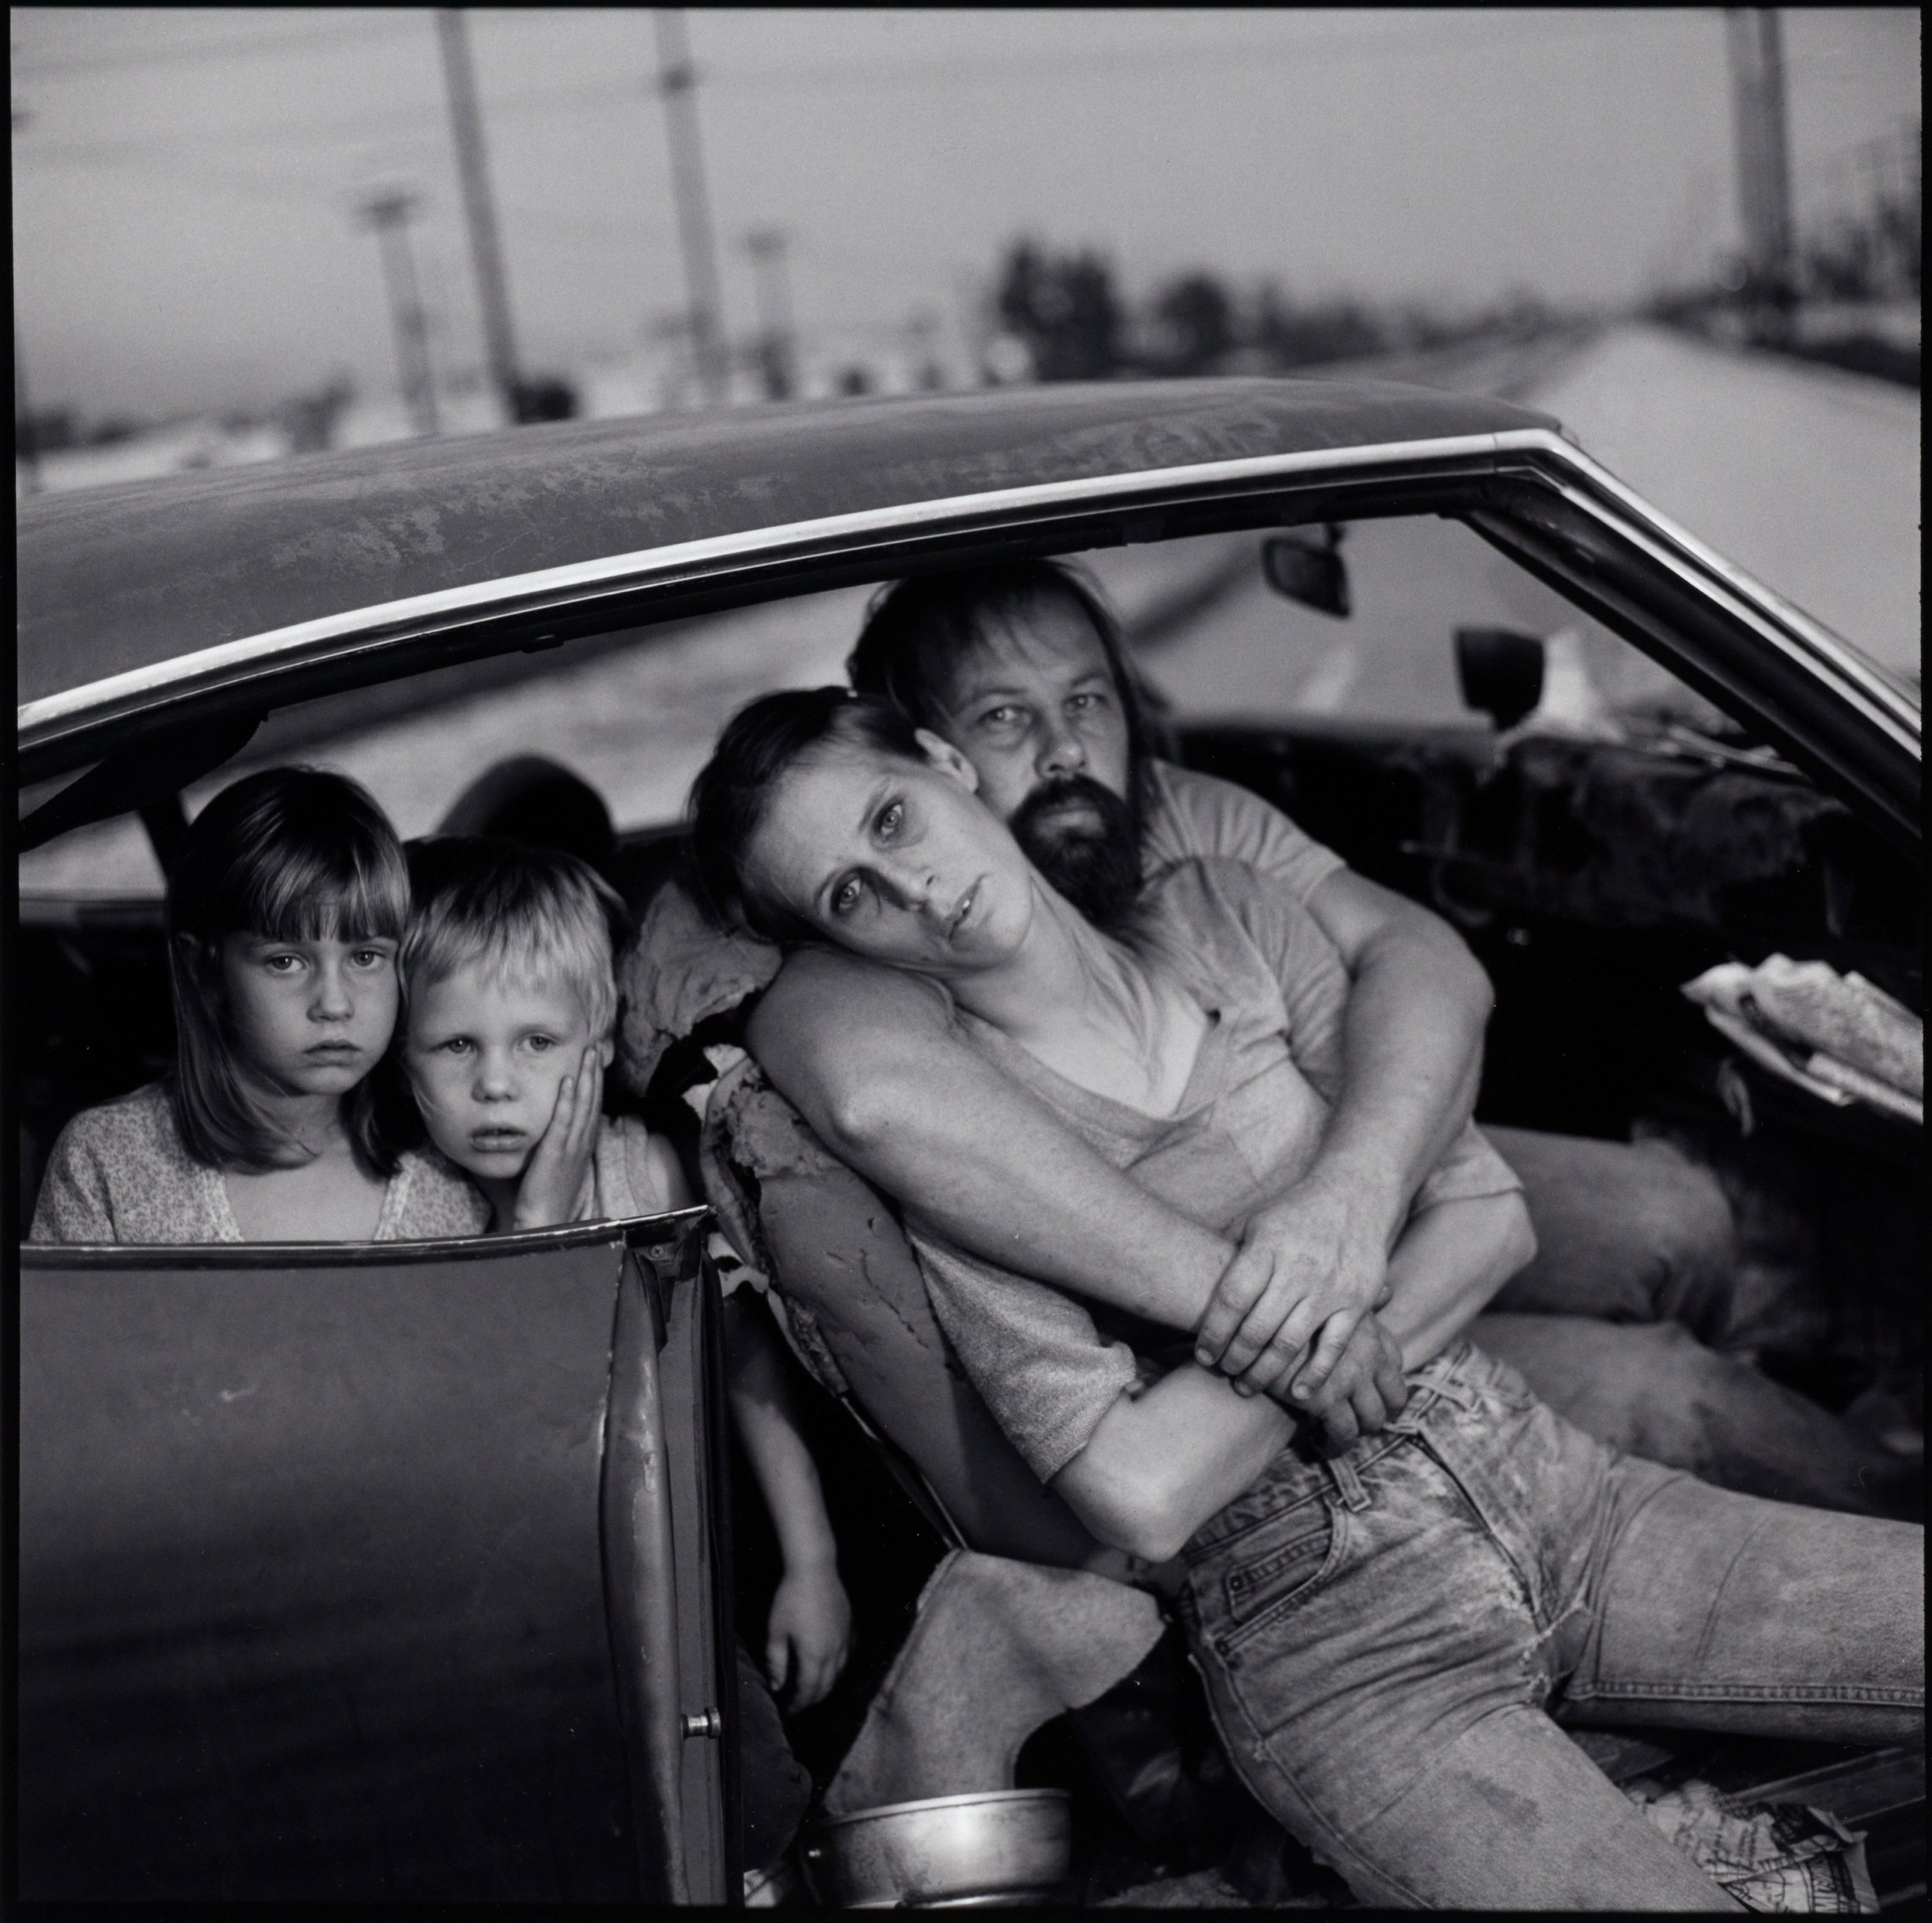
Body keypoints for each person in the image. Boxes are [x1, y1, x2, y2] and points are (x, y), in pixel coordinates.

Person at [687, 688, 1923, 1909]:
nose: (910, 888)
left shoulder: (1227, 914)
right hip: (1329, 1632)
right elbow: (1140, 1491)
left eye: (892, 820)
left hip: (1554, 1480)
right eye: (851, 894)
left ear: (951, 765)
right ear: (839, 945)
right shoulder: (964, 1156)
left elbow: (1493, 1220)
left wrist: (1334, 1232)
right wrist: (1334, 1332)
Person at [734, 561, 1895, 1511]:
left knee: (1674, 1217)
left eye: (1087, 701)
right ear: (931, 749)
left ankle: (1677, 1483)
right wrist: (1297, 1316)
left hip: (1358, 1194)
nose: (1064, 751)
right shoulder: (888, 918)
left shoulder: (1187, 820)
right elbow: (860, 1084)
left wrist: (1353, 1198)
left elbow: (1426, 960)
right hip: (1233, 1345)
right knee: (1670, 1397)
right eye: (1005, 717)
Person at [396, 835, 851, 1871]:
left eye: (538, 1041)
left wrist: (812, 1559)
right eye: (455, 1048)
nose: (498, 1085)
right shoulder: (412, 1205)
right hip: (506, 1621)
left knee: (756, 1805)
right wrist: (542, 1219)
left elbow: (743, 1363)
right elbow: (489, 1423)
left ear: (599, 1042)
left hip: (668, 1585)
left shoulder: (647, 1171)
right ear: (403, 1056)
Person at [30, 767, 486, 1245]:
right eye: (285, 962)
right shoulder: (110, 1161)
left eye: (366, 957)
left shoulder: (449, 1161)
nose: (334, 1004)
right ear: (205, 970)